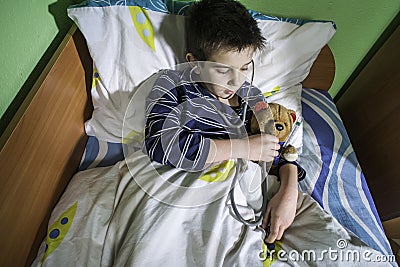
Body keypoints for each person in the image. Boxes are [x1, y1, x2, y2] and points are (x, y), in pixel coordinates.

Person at [143, 0, 305, 245]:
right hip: (189, 195)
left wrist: (289, 190)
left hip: (243, 198)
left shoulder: (255, 100)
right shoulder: (173, 85)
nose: (235, 81)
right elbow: (159, 143)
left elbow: (276, 148)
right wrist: (242, 147)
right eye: (222, 71)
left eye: (244, 68)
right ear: (195, 63)